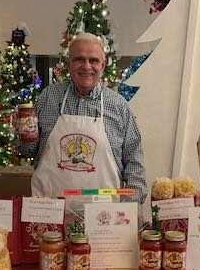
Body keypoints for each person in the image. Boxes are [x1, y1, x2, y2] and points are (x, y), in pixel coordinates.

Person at [20, 33, 147, 204]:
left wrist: (127, 211)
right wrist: (23, 132)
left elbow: (134, 165)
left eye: (93, 60)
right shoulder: (48, 97)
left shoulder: (119, 106)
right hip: (49, 212)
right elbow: (28, 151)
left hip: (103, 218)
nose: (87, 66)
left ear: (103, 65)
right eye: (79, 59)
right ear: (69, 64)